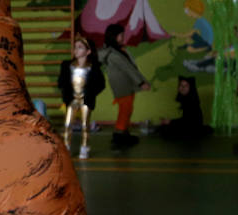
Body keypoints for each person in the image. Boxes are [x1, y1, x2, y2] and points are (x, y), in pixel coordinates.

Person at [98, 21, 149, 149]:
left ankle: (124, 133)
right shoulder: (113, 54)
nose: (123, 37)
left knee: (127, 109)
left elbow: (130, 67)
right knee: (125, 110)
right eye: (121, 35)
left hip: (126, 84)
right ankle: (118, 135)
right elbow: (128, 68)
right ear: (113, 36)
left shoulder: (118, 50)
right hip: (122, 85)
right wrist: (141, 82)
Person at [56, 36, 105, 158]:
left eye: (80, 47)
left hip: (85, 100)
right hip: (72, 100)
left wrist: (91, 94)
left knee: (85, 125)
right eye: (75, 47)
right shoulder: (67, 65)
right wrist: (65, 92)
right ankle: (66, 147)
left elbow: (101, 84)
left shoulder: (93, 67)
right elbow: (61, 81)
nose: (76, 50)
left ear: (88, 52)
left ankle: (84, 147)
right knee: (67, 125)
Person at [157, 75, 212, 141]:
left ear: (190, 88)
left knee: (165, 129)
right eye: (181, 85)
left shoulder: (191, 101)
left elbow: (188, 121)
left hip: (192, 129)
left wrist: (170, 122)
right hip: (189, 127)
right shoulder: (186, 99)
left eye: (186, 86)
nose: (182, 88)